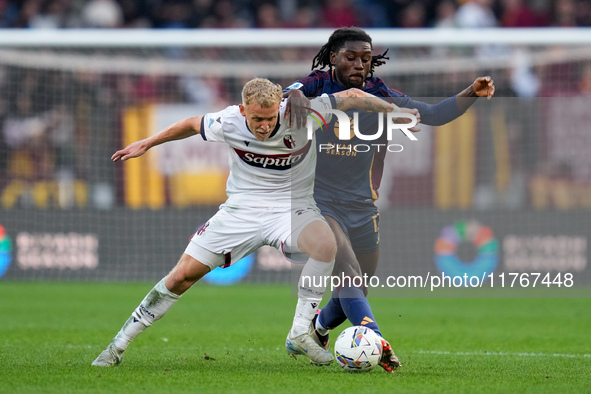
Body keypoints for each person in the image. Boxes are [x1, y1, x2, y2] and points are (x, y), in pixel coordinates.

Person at [91, 77, 412, 367]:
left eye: (270, 118)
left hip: (292, 207)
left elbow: (353, 95)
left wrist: (391, 111)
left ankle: (301, 331)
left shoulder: (303, 116)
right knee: (180, 278)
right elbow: (190, 124)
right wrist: (146, 143)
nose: (262, 125)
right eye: (256, 119)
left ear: (280, 109)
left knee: (326, 244)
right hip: (241, 210)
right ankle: (117, 347)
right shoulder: (229, 120)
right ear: (243, 110)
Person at [283, 27, 496, 373]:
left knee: (359, 284)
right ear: (334, 57)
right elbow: (288, 93)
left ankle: (318, 327)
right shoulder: (316, 85)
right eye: (351, 57)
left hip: (363, 205)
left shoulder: (381, 94)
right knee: (349, 274)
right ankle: (376, 341)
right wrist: (290, 94)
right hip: (319, 202)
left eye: (365, 58)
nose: (359, 64)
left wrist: (471, 91)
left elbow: (436, 114)